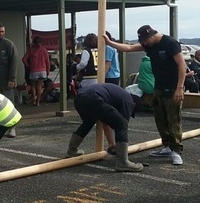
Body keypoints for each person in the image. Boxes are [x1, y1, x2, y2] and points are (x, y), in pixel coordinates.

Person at [104, 25, 186, 165]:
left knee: (174, 119)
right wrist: (110, 42)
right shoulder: (149, 45)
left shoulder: (170, 43)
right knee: (160, 119)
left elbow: (182, 65)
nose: (144, 44)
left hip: (173, 87)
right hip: (158, 87)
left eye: (145, 41)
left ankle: (176, 151)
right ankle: (166, 146)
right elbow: (129, 48)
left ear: (151, 36)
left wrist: (179, 88)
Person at [65, 83, 144, 172]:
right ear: (134, 105)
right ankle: (123, 162)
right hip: (94, 98)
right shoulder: (128, 101)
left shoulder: (117, 96)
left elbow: (105, 121)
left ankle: (71, 151)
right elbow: (122, 124)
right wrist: (120, 148)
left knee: (88, 122)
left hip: (80, 98)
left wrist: (111, 144)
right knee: (121, 125)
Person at [22, 36, 51, 106]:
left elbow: (24, 59)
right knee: (39, 86)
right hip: (42, 70)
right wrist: (48, 70)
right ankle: (38, 101)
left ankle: (34, 100)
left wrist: (29, 66)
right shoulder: (44, 50)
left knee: (33, 86)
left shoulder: (31, 50)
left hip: (33, 70)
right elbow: (47, 62)